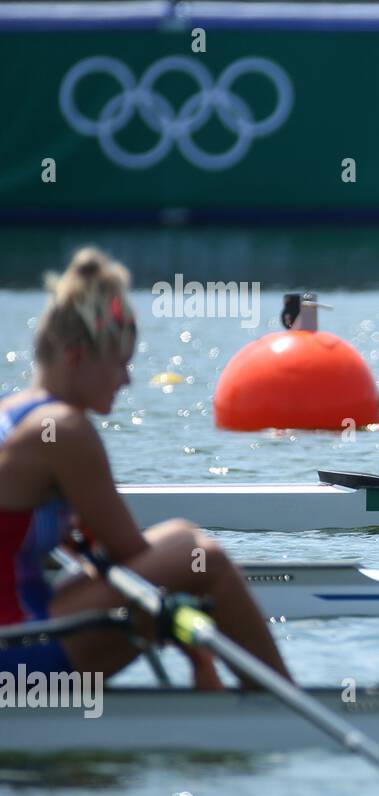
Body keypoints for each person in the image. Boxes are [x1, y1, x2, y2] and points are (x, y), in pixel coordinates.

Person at [0, 248, 290, 689]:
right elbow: (133, 555)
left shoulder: (13, 416)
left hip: (23, 631)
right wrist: (196, 651)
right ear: (77, 357)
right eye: (120, 363)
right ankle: (278, 699)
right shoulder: (62, 430)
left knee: (179, 546)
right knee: (200, 555)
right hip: (18, 655)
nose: (127, 380)